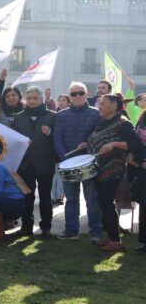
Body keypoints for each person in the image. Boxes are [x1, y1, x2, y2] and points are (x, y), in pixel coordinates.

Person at [86, 94, 146, 251]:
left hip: (113, 169)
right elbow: (98, 139)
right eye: (99, 103)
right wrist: (87, 144)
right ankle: (110, 236)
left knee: (106, 203)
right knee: (103, 203)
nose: (99, 106)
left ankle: (116, 241)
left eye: (103, 104)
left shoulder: (123, 123)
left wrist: (114, 144)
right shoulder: (103, 123)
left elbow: (135, 144)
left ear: (114, 105)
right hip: (99, 169)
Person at [53, 81, 103, 242]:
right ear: (70, 96)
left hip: (90, 162)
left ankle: (96, 232)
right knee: (71, 199)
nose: (78, 96)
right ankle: (71, 231)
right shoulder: (61, 115)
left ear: (87, 94)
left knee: (92, 199)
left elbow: (101, 136)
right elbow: (57, 138)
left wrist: (89, 143)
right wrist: (65, 159)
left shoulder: (97, 114)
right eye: (74, 94)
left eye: (81, 93)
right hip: (68, 163)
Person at [11, 86, 57, 237]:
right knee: (27, 196)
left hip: (45, 162)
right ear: (25, 100)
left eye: (35, 98)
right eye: (29, 98)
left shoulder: (52, 116)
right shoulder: (18, 117)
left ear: (42, 100)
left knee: (45, 196)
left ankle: (46, 227)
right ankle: (26, 226)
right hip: (25, 163)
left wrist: (50, 132)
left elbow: (58, 137)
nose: (32, 101)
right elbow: (13, 139)